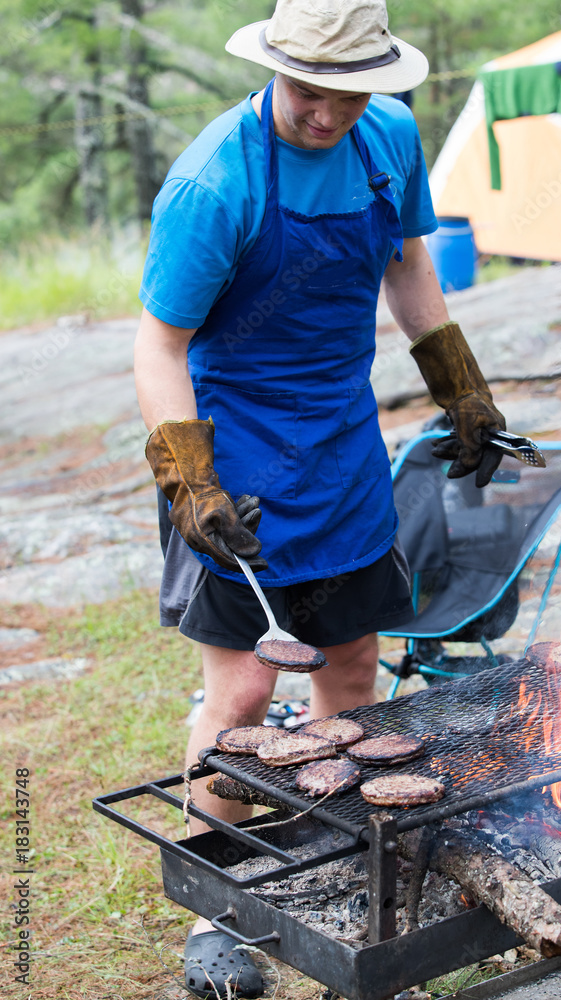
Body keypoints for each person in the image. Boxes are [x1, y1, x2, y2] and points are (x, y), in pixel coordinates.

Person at [134, 0, 505, 995]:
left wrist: (459, 386)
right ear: (273, 69)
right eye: (310, 92)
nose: (331, 115)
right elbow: (158, 344)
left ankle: (333, 858)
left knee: (350, 667)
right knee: (245, 693)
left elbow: (409, 263)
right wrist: (189, 483)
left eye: (352, 93)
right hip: (235, 466)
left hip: (341, 454)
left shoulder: (387, 139)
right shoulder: (216, 181)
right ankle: (220, 906)